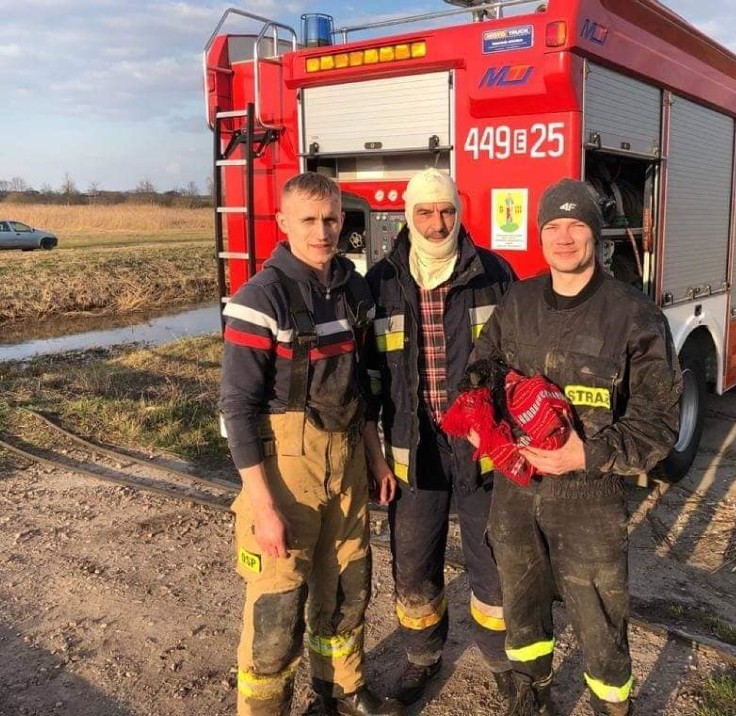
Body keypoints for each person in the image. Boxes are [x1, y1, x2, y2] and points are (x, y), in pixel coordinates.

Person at [470, 178, 682, 716]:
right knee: (521, 602)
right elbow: (481, 371)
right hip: (516, 491)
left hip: (590, 498)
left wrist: (585, 455)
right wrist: (479, 418)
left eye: (576, 225)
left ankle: (611, 704)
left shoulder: (635, 317)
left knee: (599, 616)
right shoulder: (517, 303)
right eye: (553, 226)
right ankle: (530, 690)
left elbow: (659, 424)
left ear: (596, 234)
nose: (564, 238)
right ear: (541, 235)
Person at [219, 172, 404, 716]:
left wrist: (374, 458)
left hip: (345, 458)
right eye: (308, 220)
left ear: (342, 220)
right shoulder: (260, 298)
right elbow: (236, 409)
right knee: (277, 607)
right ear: (283, 223)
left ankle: (341, 692)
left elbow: (362, 384)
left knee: (349, 583)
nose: (321, 231)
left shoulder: (354, 288)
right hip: (284, 471)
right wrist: (263, 505)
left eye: (330, 219)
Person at [363, 168, 517, 706]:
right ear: (409, 216)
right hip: (413, 446)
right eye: (425, 212)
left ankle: (501, 661)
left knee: (493, 561)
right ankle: (423, 658)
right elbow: (369, 379)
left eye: (447, 211)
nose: (437, 223)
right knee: (413, 560)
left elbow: (519, 365)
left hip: (482, 448)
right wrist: (375, 457)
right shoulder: (381, 283)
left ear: (460, 211)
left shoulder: (494, 274)